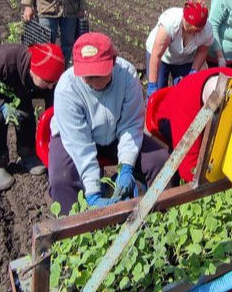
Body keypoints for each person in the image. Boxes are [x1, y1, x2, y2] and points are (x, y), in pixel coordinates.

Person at [48, 32, 170, 214]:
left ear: (112, 63)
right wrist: (92, 192)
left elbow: (130, 124)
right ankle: (73, 235)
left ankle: (161, 218)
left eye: (98, 74)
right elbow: (79, 145)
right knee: (62, 180)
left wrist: (126, 166)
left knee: (159, 160)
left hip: (115, 132)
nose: (91, 80)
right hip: (74, 137)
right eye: (87, 75)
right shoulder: (67, 88)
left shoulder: (127, 75)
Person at [0, 43, 65, 190]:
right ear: (33, 72)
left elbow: (50, 102)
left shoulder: (46, 75)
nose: (50, 86)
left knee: (25, 113)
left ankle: (27, 153)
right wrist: (1, 105)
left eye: (53, 83)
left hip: (11, 82)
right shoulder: (4, 62)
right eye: (48, 82)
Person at [148, 67, 232, 182]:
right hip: (167, 117)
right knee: (183, 163)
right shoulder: (185, 109)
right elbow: (189, 171)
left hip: (192, 98)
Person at [145, 0, 214, 98]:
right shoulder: (170, 24)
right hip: (162, 56)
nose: (195, 32)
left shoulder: (207, 30)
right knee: (158, 93)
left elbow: (203, 51)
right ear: (184, 19)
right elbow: (156, 55)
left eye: (199, 30)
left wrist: (194, 71)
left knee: (184, 92)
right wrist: (152, 85)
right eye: (192, 29)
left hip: (184, 59)